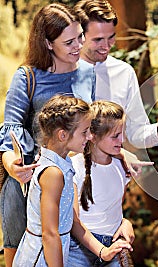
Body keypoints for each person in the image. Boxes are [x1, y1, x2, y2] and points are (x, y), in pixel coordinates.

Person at [0, 3, 95, 266]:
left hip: (73, 175)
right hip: (28, 178)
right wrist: (12, 165)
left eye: (80, 37)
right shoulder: (28, 76)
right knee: (23, 251)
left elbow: (90, 125)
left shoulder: (88, 73)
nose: (78, 45)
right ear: (48, 43)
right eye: (69, 42)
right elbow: (12, 128)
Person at [12, 95, 131, 266]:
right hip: (43, 258)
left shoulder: (61, 162)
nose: (90, 136)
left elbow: (70, 220)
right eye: (84, 132)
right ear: (63, 135)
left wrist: (120, 153)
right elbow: (50, 234)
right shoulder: (53, 173)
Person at [74, 0, 158, 150]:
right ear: (79, 36)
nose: (106, 46)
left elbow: (136, 132)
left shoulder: (124, 72)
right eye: (98, 39)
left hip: (113, 168)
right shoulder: (59, 71)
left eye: (111, 37)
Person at [68, 100, 134, 266]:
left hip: (113, 243)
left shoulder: (122, 167)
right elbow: (74, 222)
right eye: (115, 136)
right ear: (93, 136)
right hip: (80, 248)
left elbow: (115, 207)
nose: (122, 140)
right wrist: (102, 251)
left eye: (123, 133)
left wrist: (125, 222)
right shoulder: (74, 166)